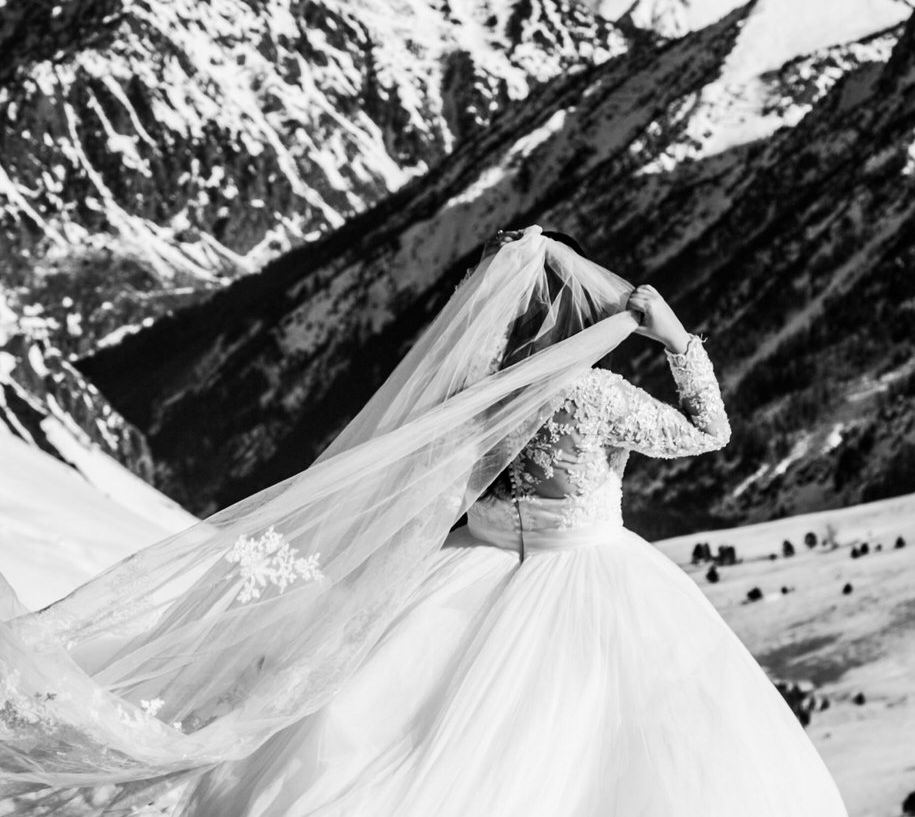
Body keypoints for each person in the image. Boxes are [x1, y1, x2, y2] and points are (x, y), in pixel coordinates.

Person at [0, 227, 847, 816]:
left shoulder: (479, 396)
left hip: (468, 566)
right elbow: (711, 430)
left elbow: (433, 490)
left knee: (402, 726)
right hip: (590, 578)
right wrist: (676, 338)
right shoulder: (594, 394)